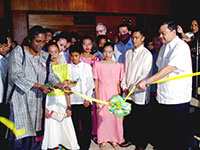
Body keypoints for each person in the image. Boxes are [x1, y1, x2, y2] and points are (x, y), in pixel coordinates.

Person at [6, 25, 71, 150]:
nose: (40, 45)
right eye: (37, 41)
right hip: (20, 101)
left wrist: (62, 86)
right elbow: (16, 75)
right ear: (29, 40)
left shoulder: (44, 56)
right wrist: (38, 86)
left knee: (36, 134)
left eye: (43, 42)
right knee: (20, 135)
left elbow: (50, 75)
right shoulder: (18, 52)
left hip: (37, 102)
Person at [136, 21, 193, 150]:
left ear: (174, 32)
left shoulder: (181, 47)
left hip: (177, 98)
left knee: (177, 134)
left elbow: (169, 68)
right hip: (163, 96)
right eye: (160, 33)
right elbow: (160, 68)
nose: (160, 36)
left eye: (163, 33)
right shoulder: (164, 47)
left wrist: (148, 81)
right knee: (164, 132)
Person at [41, 41, 79, 150]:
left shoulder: (64, 67)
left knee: (64, 123)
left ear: (59, 52)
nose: (53, 55)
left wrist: (69, 106)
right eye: (50, 53)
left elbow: (67, 88)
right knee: (51, 124)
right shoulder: (44, 68)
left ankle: (65, 144)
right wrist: (44, 107)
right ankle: (52, 145)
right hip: (49, 99)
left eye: (55, 52)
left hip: (61, 100)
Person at [120, 27, 153, 150]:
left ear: (143, 38)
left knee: (140, 119)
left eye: (137, 37)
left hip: (139, 91)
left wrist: (133, 87)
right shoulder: (128, 52)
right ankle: (129, 138)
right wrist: (124, 86)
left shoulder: (146, 54)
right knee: (128, 117)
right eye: (132, 37)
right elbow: (125, 71)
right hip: (127, 90)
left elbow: (145, 74)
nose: (134, 40)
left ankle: (141, 143)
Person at [93, 42, 124, 149]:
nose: (107, 54)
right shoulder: (97, 64)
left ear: (113, 52)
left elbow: (119, 83)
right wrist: (97, 99)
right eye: (105, 51)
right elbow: (96, 83)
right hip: (102, 93)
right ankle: (102, 139)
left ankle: (114, 138)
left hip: (114, 93)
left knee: (115, 117)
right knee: (103, 117)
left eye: (110, 52)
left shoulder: (119, 65)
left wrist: (120, 97)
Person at [68, 42, 95, 150]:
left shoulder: (86, 67)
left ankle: (85, 144)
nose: (74, 58)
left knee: (86, 123)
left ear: (80, 55)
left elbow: (90, 84)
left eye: (76, 56)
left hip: (84, 100)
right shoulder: (68, 67)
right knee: (74, 123)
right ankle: (75, 143)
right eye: (72, 56)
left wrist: (87, 98)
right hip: (73, 100)